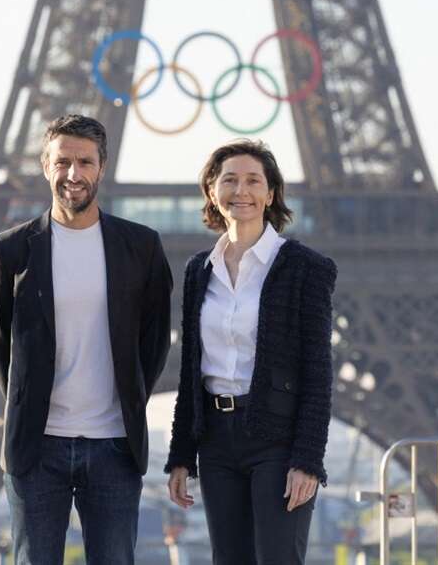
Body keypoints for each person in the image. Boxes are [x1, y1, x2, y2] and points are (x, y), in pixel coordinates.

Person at [0, 114, 173, 565]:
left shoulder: (141, 247)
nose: (73, 174)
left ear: (101, 167)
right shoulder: (11, 249)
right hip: (37, 446)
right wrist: (29, 399)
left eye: (84, 162)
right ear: (46, 167)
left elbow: (154, 339)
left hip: (113, 444)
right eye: (62, 162)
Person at [165, 140, 336, 565]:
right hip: (217, 441)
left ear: (271, 193)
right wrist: (182, 455)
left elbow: (318, 372)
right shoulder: (198, 271)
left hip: (277, 441)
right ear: (211, 191)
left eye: (253, 181)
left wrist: (308, 460)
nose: (241, 190)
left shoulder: (304, 268)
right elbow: (191, 371)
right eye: (230, 180)